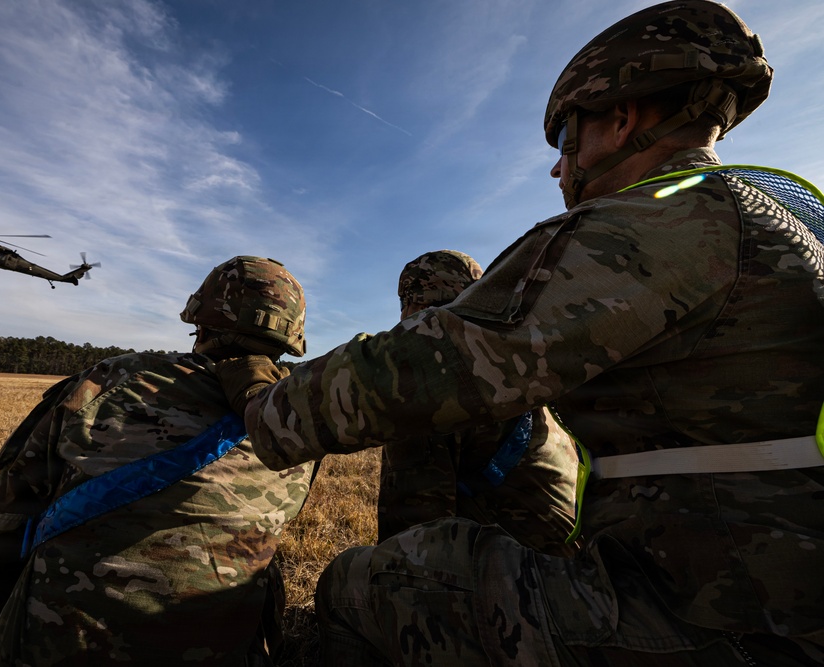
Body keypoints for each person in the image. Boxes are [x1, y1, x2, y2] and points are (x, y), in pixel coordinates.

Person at [219, 1, 824, 664]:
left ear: (620, 121)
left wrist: (261, 404)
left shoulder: (651, 225)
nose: (558, 168)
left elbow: (425, 365)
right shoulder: (787, 215)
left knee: (365, 582)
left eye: (567, 140)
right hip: (771, 598)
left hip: (708, 618)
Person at [0, 255, 315, 666]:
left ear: (201, 321)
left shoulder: (113, 379)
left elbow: (1, 521)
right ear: (289, 338)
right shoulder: (299, 420)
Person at [378, 250, 578, 557]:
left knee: (346, 577)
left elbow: (412, 540)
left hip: (527, 582)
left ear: (413, 306)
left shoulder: (430, 380)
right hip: (573, 568)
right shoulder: (522, 365)